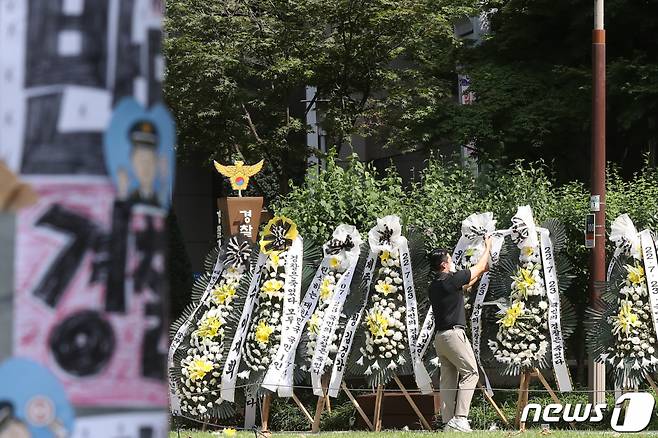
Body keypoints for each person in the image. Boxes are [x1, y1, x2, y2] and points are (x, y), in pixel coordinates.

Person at [429, 237, 492, 433]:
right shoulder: (451, 279)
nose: (451, 261)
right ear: (445, 264)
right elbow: (480, 265)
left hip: (440, 339)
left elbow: (466, 284)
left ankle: (448, 422)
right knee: (471, 372)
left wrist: (480, 273)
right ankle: (461, 418)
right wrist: (488, 246)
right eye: (449, 258)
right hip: (454, 336)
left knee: (448, 378)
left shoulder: (436, 285)